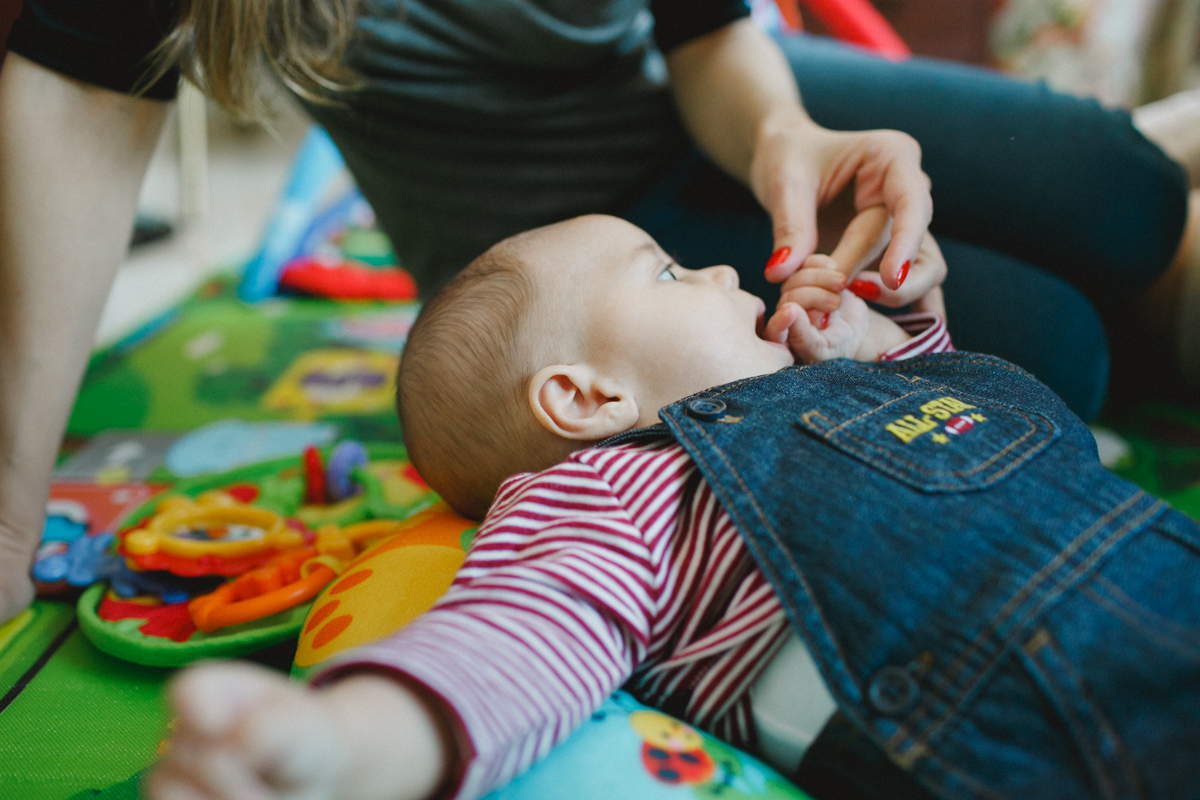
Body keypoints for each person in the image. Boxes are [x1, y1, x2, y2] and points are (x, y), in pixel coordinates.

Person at [0, 1, 1189, 619]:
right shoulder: (579, 505)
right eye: (696, 279)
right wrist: (11, 514)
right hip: (553, 243)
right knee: (1059, 346)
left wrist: (786, 136)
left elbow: (709, 35)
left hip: (696, 112)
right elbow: (82, 95)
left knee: (1123, 193)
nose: (736, 287)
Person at [148, 215, 1200, 800]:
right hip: (1057, 712)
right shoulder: (614, 484)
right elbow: (516, 637)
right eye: (666, 269)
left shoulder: (819, 376)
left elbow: (991, 426)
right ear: (587, 396)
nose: (717, 265)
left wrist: (895, 339)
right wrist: (342, 745)